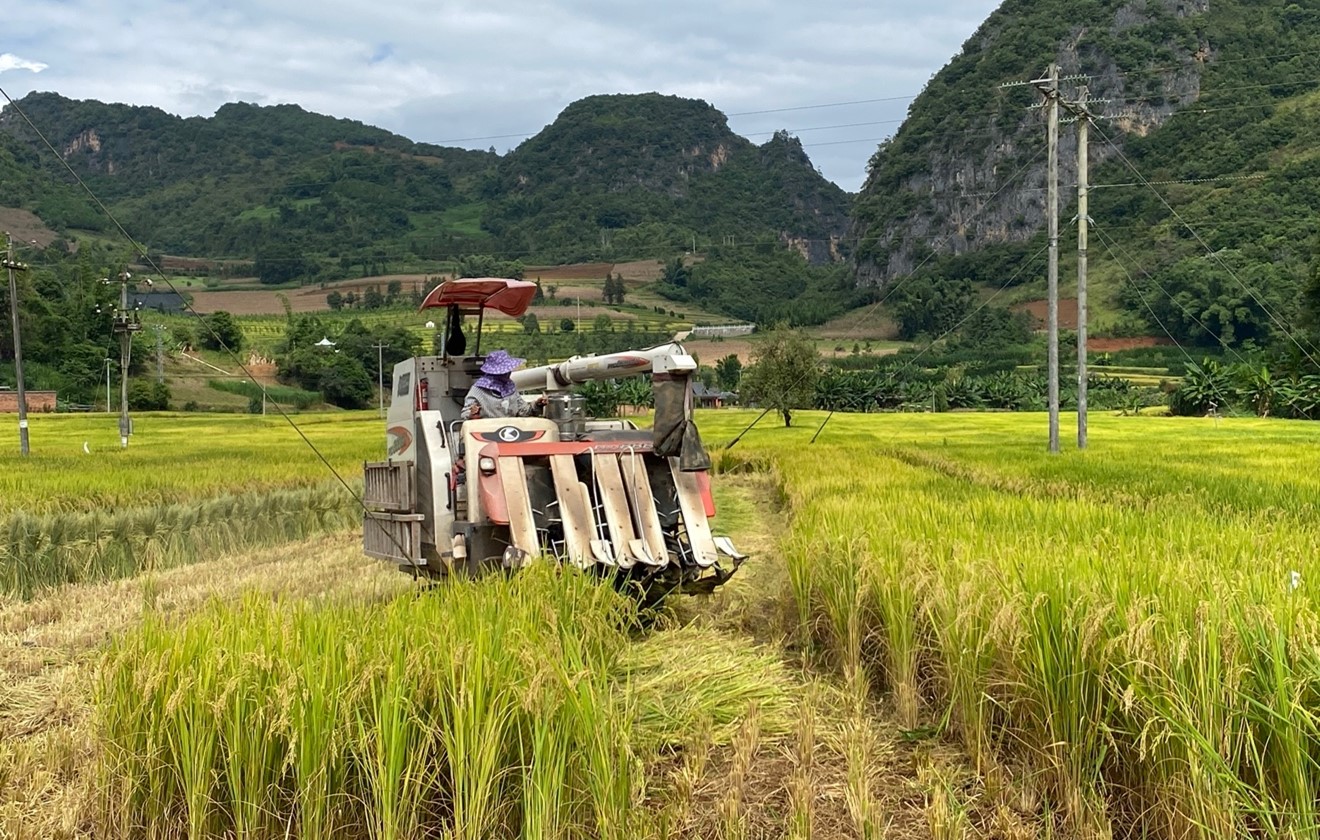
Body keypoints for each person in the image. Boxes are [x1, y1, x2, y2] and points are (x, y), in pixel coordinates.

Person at [461, 349, 546, 420]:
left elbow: (524, 411)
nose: (508, 373)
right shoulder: (478, 391)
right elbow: (465, 414)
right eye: (504, 372)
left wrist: (537, 405)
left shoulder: (510, 388)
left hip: (512, 431)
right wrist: (472, 414)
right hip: (487, 432)